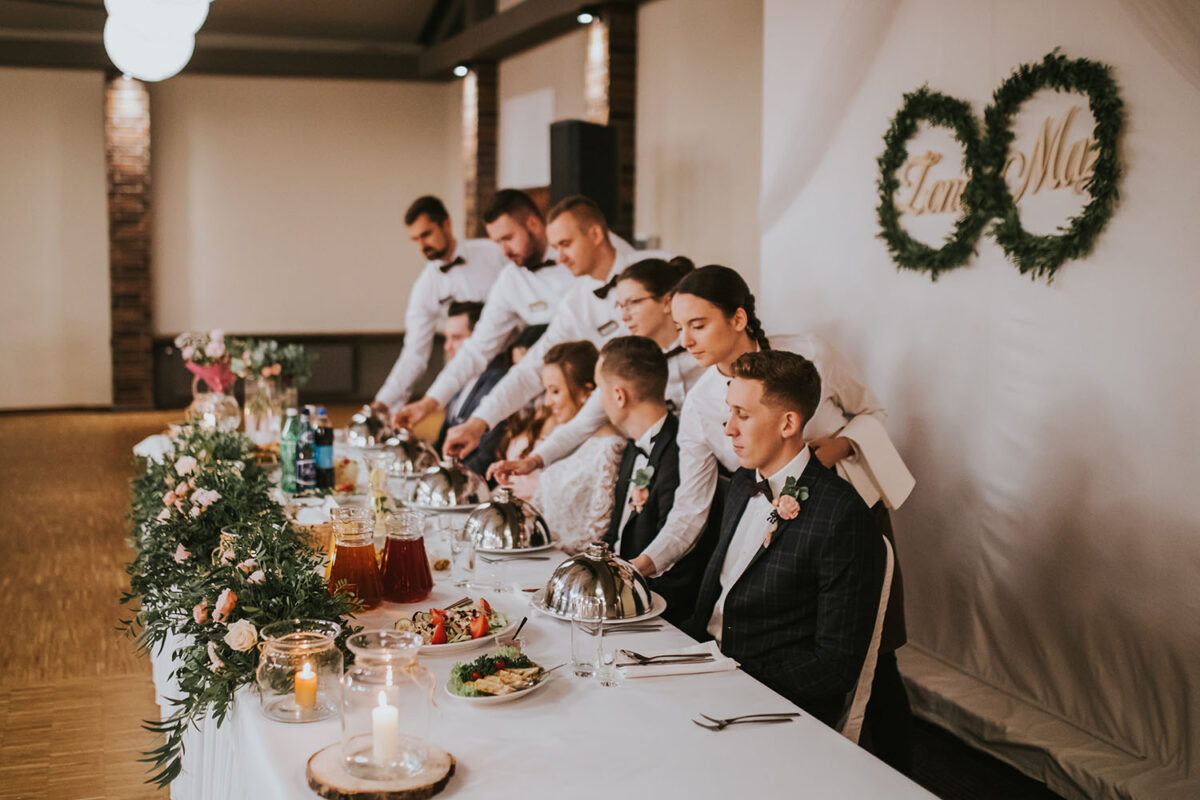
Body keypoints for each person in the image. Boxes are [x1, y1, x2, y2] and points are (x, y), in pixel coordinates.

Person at [649, 265, 915, 772]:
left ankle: (897, 776)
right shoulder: (704, 398)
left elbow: (871, 412)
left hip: (851, 510)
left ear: (738, 317)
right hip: (764, 521)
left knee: (873, 661)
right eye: (678, 327)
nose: (684, 340)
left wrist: (836, 448)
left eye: (697, 325)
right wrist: (643, 562)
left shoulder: (811, 352)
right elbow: (691, 504)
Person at [684, 350, 885, 729]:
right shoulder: (743, 484)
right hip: (705, 675)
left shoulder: (842, 516)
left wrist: (733, 677)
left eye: (743, 415)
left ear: (788, 423)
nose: (729, 428)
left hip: (767, 705)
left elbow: (834, 666)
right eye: (730, 412)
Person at [440, 195, 669, 459]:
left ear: (595, 234)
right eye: (556, 247)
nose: (560, 258)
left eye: (566, 244)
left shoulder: (664, 267)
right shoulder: (576, 303)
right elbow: (530, 369)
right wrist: (479, 422)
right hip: (632, 434)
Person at [485, 256, 704, 482]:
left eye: (634, 303)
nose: (624, 315)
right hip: (662, 474)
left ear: (667, 302)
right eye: (620, 305)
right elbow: (580, 425)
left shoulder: (704, 351)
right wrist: (532, 461)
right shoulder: (624, 361)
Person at [393, 189, 600, 429]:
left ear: (533, 223)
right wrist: (429, 402)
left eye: (508, 238)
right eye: (498, 242)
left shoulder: (582, 257)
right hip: (542, 387)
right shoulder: (510, 279)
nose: (504, 252)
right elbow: (477, 349)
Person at [595, 336, 717, 625]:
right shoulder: (633, 445)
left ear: (619, 395)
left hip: (658, 611)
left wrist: (621, 604)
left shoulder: (681, 451)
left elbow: (683, 564)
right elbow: (615, 534)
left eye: (600, 389)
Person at [372, 195, 507, 414]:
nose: (422, 246)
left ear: (447, 224)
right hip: (463, 375)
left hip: (508, 366)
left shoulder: (493, 253)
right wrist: (383, 403)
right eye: (415, 240)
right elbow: (414, 354)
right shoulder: (425, 287)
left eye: (426, 235)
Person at [519, 340, 625, 554]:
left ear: (587, 392)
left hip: (567, 563)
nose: (547, 402)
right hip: (534, 553)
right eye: (546, 391)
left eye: (555, 391)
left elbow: (596, 535)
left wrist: (545, 552)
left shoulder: (610, 447)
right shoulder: (561, 439)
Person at [432, 301, 508, 477]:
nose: (447, 346)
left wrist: (448, 481)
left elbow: (488, 456)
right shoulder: (455, 379)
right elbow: (442, 440)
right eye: (447, 338)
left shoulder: (498, 382)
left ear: (481, 339)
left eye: (456, 338)